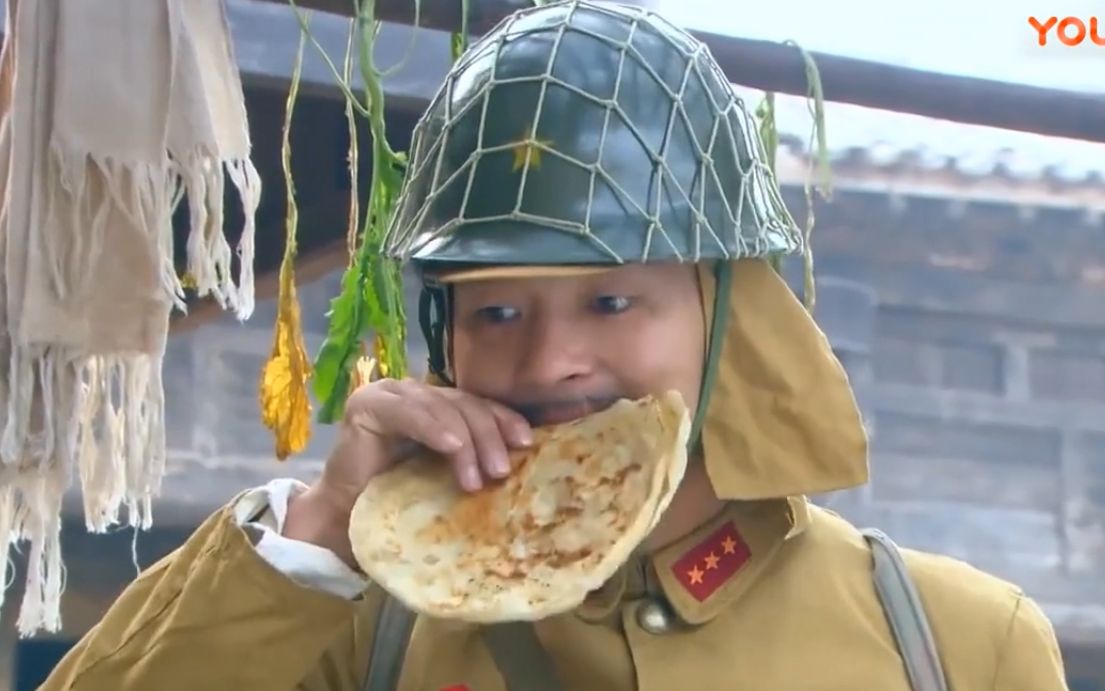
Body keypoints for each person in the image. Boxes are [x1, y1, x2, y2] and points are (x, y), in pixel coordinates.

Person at [41, 1, 1070, 689]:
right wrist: (330, 523)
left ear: (729, 321)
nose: (546, 363)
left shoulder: (953, 643)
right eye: (493, 312)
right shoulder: (353, 629)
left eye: (613, 300)